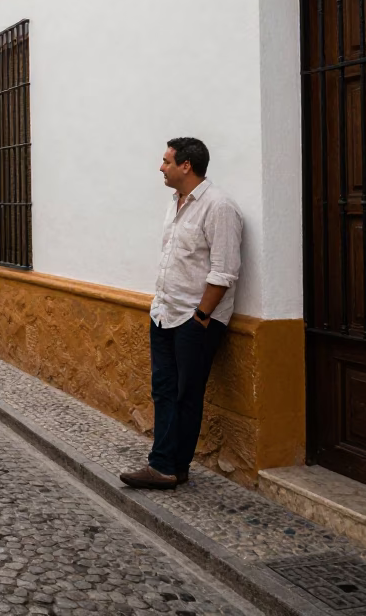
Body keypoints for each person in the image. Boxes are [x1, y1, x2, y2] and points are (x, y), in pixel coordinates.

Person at [120, 138, 242, 490]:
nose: (161, 167)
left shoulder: (219, 207)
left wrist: (201, 317)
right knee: (164, 389)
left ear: (186, 165)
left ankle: (166, 466)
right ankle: (170, 465)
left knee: (187, 393)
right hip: (164, 313)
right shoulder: (175, 204)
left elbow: (224, 271)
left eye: (166, 161)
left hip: (195, 319)